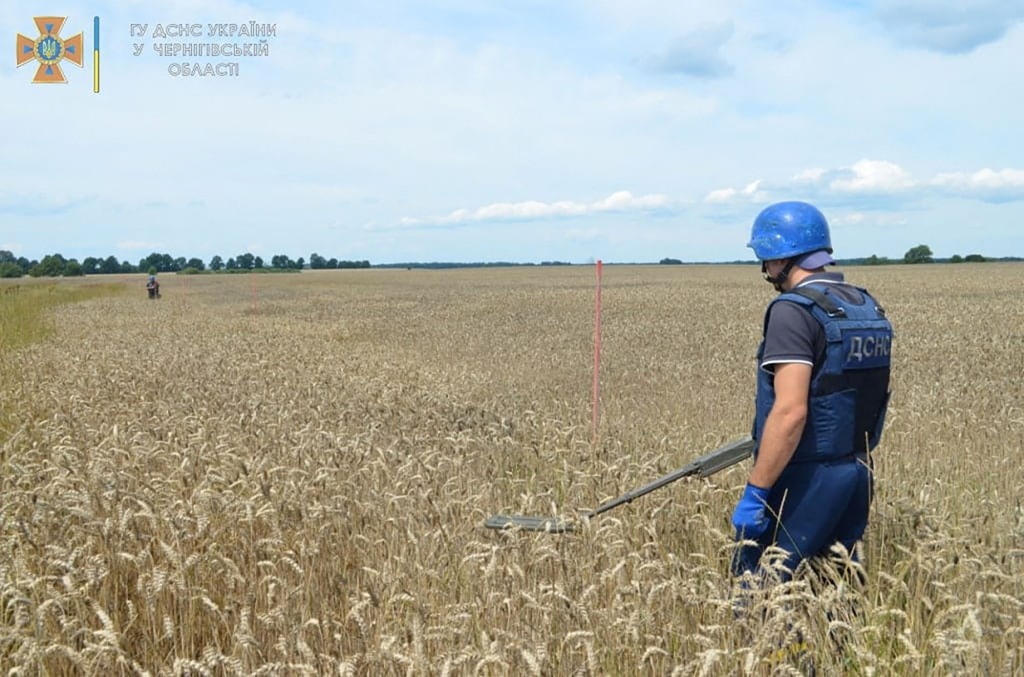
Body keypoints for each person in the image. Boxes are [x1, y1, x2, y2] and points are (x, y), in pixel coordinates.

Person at [731, 201, 893, 581]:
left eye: (766, 258)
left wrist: (756, 491)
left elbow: (791, 412)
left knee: (764, 590)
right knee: (834, 592)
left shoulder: (793, 310)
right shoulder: (864, 307)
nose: (766, 269)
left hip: (807, 477)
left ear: (778, 257)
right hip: (858, 471)